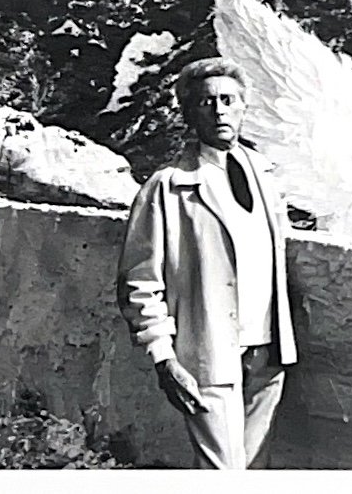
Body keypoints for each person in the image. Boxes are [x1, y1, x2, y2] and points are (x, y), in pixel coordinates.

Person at [116, 57, 297, 469]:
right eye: (206, 102)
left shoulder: (265, 175)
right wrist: (164, 358)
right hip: (208, 351)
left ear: (243, 107)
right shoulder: (167, 187)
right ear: (189, 113)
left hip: (267, 352)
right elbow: (139, 282)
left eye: (228, 100)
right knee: (221, 471)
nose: (219, 110)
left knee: (254, 469)